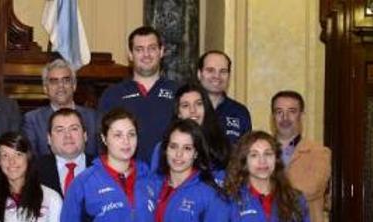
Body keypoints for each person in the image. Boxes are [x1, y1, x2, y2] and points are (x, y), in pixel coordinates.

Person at [272, 90, 335, 222]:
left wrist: (267, 191)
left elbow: (309, 189)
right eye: (279, 112)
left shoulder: (319, 152)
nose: (285, 117)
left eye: (292, 111)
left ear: (301, 115)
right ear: (273, 117)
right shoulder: (261, 150)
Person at [98, 26, 178, 161]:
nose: (146, 54)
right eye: (139, 49)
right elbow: (102, 142)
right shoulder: (112, 95)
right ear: (130, 54)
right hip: (127, 176)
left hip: (170, 177)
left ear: (161, 51)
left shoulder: (178, 92)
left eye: (152, 48)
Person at [23, 58, 98, 159]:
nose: (60, 86)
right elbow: (31, 161)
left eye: (66, 80)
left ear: (74, 85)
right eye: (54, 82)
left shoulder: (94, 118)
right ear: (45, 88)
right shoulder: (32, 120)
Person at [149, 83, 230, 171]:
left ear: (206, 108)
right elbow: (155, 180)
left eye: (198, 104)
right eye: (185, 105)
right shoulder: (164, 147)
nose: (193, 110)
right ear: (178, 113)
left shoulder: (221, 146)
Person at [197, 50, 252, 145]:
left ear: (229, 76)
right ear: (199, 74)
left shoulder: (240, 112)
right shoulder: (187, 108)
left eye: (223, 71)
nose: (217, 76)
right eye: (210, 70)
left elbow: (244, 153)